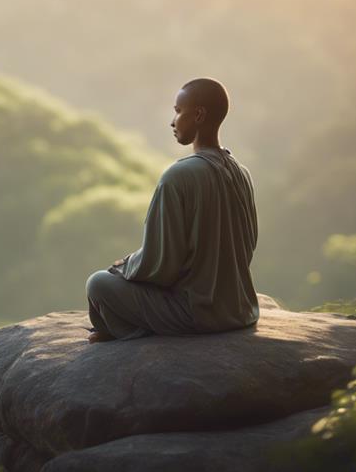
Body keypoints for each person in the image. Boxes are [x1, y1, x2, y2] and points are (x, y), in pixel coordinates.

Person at [85, 78, 259, 343]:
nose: (172, 121)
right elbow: (249, 244)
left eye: (178, 111)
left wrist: (122, 267)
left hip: (196, 313)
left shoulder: (178, 176)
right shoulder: (242, 172)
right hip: (240, 310)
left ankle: (128, 329)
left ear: (198, 115)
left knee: (98, 284)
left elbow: (161, 264)